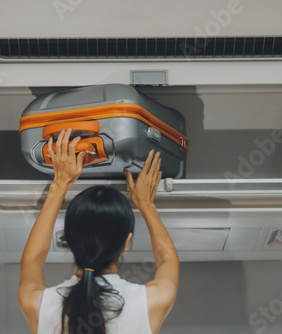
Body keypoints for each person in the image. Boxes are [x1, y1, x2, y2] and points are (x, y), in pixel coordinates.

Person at [18, 127, 179, 334]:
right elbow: (167, 258)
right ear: (126, 243)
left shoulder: (38, 305)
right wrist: (146, 204)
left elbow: (32, 259)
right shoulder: (151, 302)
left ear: (69, 239)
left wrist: (59, 185)